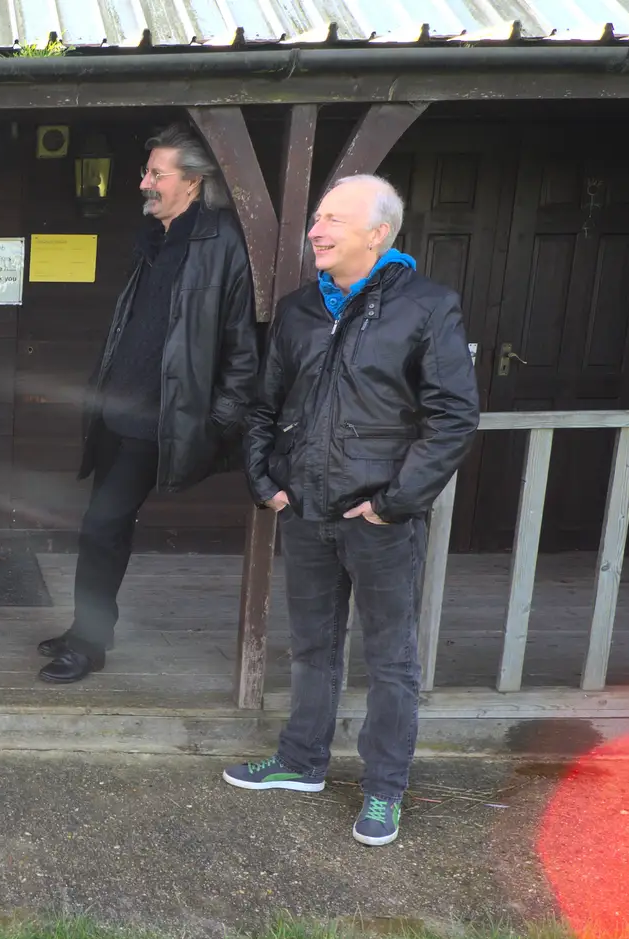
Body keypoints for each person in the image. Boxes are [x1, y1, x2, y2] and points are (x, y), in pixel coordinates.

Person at [223, 174, 480, 848]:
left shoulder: (427, 307)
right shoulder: (301, 309)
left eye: (333, 218)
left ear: (378, 233)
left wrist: (394, 502)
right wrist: (265, 482)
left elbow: (453, 417)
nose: (316, 229)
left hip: (380, 519)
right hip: (305, 510)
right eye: (316, 218)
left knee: (390, 659)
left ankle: (385, 790)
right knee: (312, 648)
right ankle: (302, 761)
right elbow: (264, 406)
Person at [38, 123, 258, 684]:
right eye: (147, 172)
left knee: (102, 524)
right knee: (104, 525)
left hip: (156, 419)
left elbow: (240, 344)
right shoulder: (156, 242)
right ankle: (89, 627)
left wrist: (221, 420)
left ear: (193, 181)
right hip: (117, 413)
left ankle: (88, 643)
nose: (144, 183)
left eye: (157, 174)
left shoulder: (221, 244)